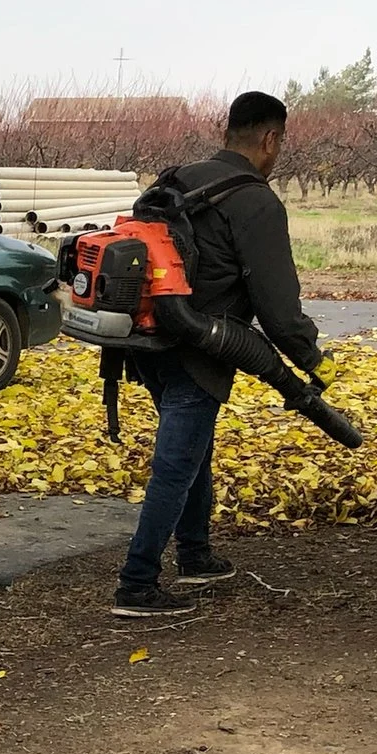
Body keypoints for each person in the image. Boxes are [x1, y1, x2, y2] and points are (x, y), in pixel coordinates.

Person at [113, 90, 324, 618]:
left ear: (227, 131)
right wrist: (313, 358)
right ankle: (137, 585)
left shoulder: (173, 179)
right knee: (176, 465)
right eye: (279, 145)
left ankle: (196, 553)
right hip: (200, 350)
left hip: (144, 343)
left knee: (193, 449)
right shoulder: (255, 200)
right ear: (270, 139)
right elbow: (279, 309)